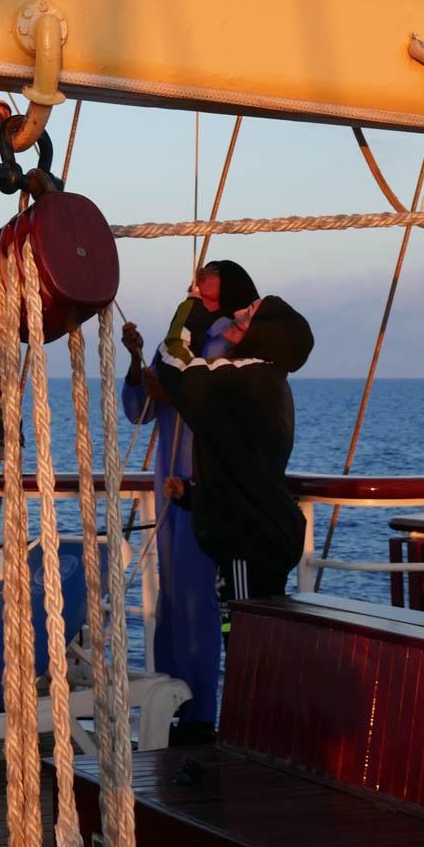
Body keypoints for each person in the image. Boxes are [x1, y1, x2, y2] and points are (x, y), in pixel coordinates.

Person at [154, 260, 313, 652]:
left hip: (248, 547)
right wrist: (194, 495)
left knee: (242, 640)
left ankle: (252, 712)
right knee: (251, 638)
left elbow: (177, 369)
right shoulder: (268, 383)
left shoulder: (242, 380)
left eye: (251, 313)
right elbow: (242, 463)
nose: (240, 313)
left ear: (265, 334)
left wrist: (186, 314)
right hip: (265, 536)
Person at [121, 309, 221, 746]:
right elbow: (139, 410)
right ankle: (173, 703)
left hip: (206, 493)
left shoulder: (223, 364)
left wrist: (174, 388)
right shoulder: (169, 359)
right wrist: (136, 357)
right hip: (170, 492)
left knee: (199, 601)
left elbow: (220, 412)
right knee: (173, 599)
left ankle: (202, 713)